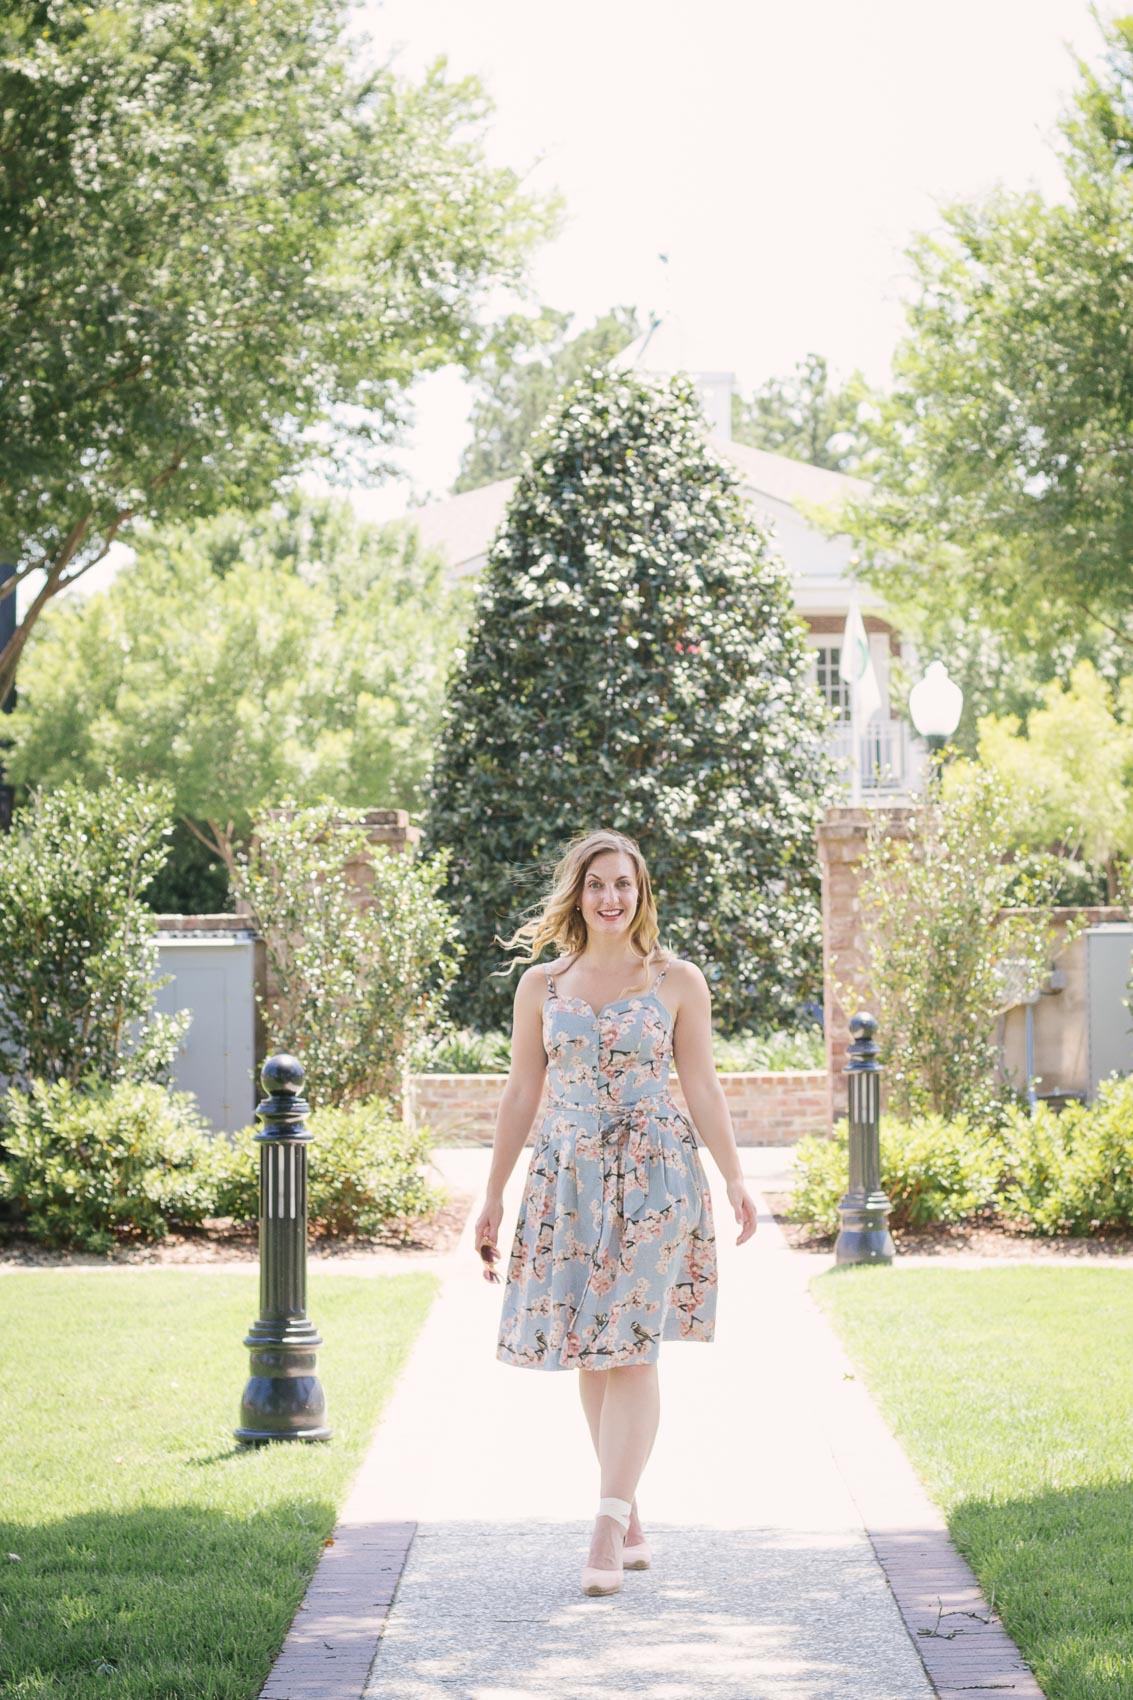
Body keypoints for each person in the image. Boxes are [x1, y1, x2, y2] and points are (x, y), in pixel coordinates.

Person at [472, 827, 759, 1598]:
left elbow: (701, 1085)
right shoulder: (541, 986)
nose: (610, 898)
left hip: (655, 1176)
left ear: (641, 894)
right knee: (589, 1347)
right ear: (578, 892)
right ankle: (626, 1506)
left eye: (623, 885)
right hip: (565, 1180)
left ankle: (602, 1526)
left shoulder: (675, 981)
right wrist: (493, 1194)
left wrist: (734, 1177)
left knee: (629, 1346)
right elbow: (520, 1093)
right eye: (597, 883)